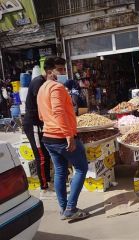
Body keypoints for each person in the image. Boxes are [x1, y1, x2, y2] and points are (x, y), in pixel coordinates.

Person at [37, 57, 89, 220]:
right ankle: (71, 208)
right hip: (61, 137)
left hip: (48, 137)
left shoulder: (42, 88)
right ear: (49, 71)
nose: (62, 73)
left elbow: (41, 115)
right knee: (81, 168)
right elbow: (58, 113)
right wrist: (69, 136)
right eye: (59, 69)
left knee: (60, 172)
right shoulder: (56, 88)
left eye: (63, 69)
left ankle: (63, 207)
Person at [23, 68, 53, 200]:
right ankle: (44, 189)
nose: (60, 75)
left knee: (46, 154)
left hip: (40, 124)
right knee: (41, 156)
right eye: (59, 70)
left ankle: (49, 182)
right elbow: (41, 103)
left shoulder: (43, 82)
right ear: (49, 71)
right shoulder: (38, 82)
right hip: (33, 124)